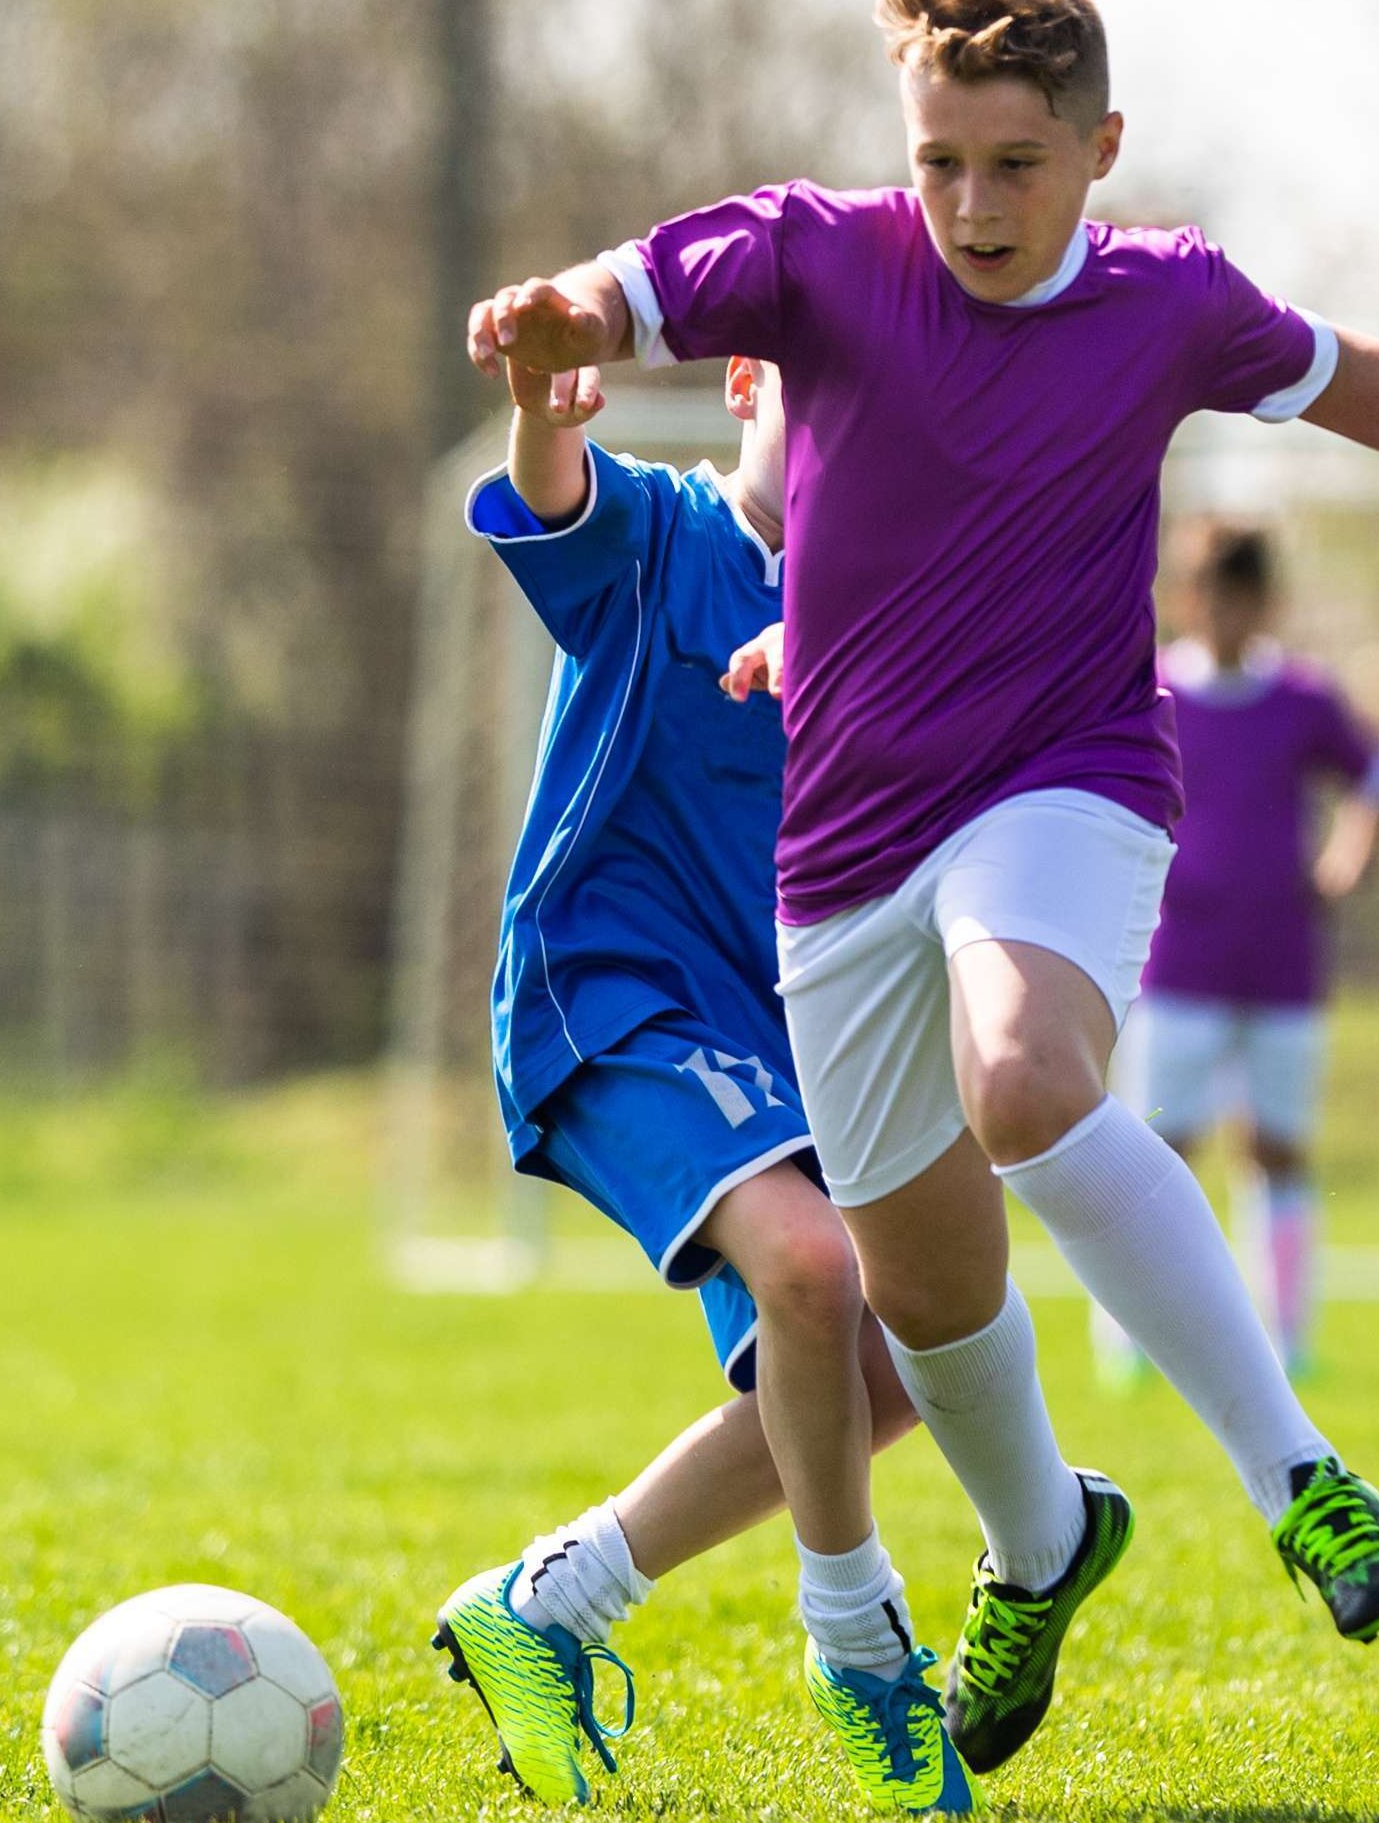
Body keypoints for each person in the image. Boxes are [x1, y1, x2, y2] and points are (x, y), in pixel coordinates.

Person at [462, 0, 1379, 1778]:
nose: (972, 203)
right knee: (918, 1301)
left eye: (1015, 164)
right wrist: (554, 320)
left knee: (1025, 1077)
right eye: (939, 162)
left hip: (1064, 779)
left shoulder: (1165, 301)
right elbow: (614, 292)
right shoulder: (815, 260)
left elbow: (1348, 369)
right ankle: (1040, 1546)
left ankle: (1298, 1476)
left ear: (1100, 152)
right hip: (839, 870)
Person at [431, 350, 967, 1812]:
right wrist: (547, 401)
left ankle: (546, 1603)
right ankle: (857, 1640)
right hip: (609, 995)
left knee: (900, 1357)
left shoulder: (892, 617)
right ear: (746, 384)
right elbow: (556, 493)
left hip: (789, 1040)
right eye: (823, 396)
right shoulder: (661, 533)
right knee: (809, 1264)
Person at [1098, 519, 1379, 1384]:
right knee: (1157, 1151)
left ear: (1266, 603)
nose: (1227, 614)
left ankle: (1288, 1337)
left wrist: (1347, 860)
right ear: (1188, 599)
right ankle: (1133, 1338)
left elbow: (1378, 781)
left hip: (1281, 964)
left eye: (1244, 598)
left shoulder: (1302, 700)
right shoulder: (1153, 691)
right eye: (1211, 596)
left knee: (1276, 1150)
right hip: (1175, 960)